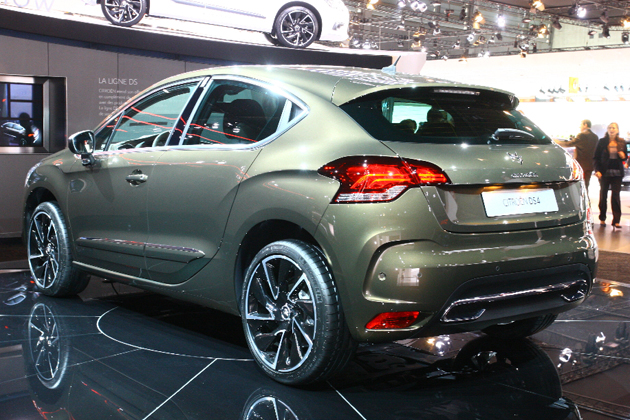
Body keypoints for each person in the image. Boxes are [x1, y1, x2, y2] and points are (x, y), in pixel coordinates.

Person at [593, 122, 627, 230]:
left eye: (614, 128)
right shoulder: (602, 142)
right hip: (604, 172)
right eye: (610, 128)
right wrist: (597, 170)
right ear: (607, 130)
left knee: (616, 196)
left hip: (617, 172)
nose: (611, 129)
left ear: (617, 130)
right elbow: (596, 158)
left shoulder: (621, 141)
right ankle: (602, 218)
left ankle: (616, 221)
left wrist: (623, 156)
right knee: (603, 195)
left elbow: (625, 157)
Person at [555, 119, 598, 189]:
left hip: (581, 164)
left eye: (581, 125)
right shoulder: (595, 137)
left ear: (585, 125)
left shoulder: (582, 135)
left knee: (578, 185)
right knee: (586, 184)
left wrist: (558, 142)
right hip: (590, 165)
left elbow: (569, 144)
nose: (579, 127)